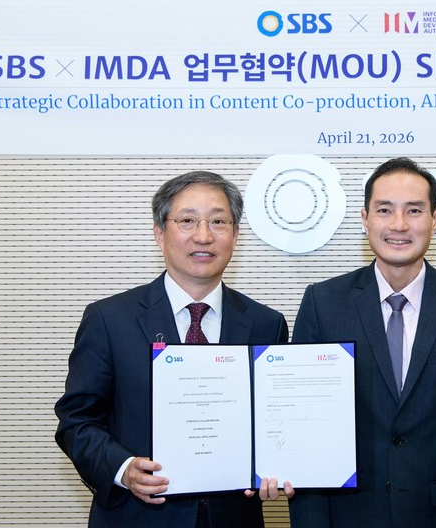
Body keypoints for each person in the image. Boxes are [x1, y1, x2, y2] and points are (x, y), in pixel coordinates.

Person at [55, 171, 291, 528]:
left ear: (236, 235)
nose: (203, 235)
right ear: (159, 232)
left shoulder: (266, 324)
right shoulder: (109, 319)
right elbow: (76, 421)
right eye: (187, 221)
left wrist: (279, 466)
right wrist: (123, 469)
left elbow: (277, 424)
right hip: (136, 518)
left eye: (218, 221)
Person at [288, 157, 436, 528]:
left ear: (435, 219)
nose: (399, 225)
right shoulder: (322, 303)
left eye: (414, 210)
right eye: (384, 210)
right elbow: (304, 430)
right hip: (350, 516)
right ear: (365, 219)